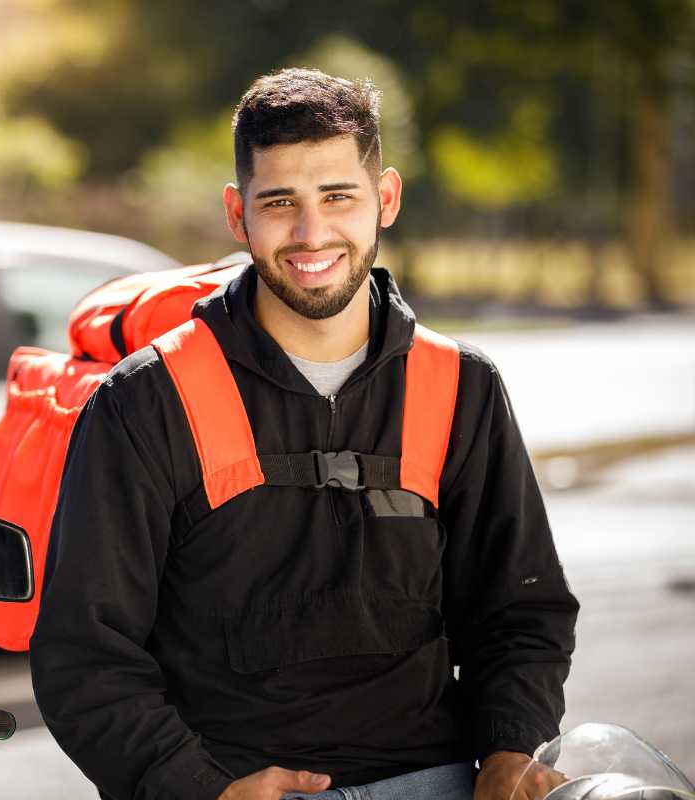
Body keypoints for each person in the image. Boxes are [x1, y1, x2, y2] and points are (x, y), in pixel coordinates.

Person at [29, 67, 579, 800]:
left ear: (385, 198)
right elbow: (84, 654)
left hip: (435, 781)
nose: (311, 233)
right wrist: (198, 787)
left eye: (338, 197)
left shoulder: (460, 386)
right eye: (280, 202)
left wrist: (512, 750)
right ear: (237, 214)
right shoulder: (146, 401)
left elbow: (522, 609)